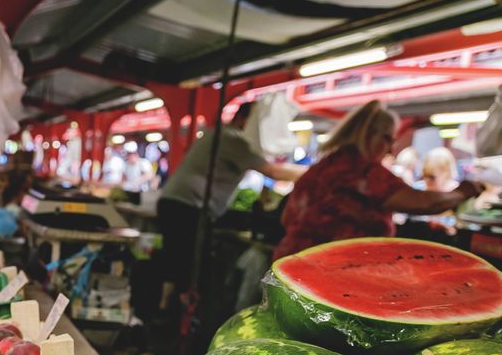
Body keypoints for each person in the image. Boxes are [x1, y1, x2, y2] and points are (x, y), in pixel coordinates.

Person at [273, 101, 486, 261]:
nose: (390, 148)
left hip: (290, 259)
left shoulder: (323, 167)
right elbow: (425, 203)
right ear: (370, 134)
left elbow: (285, 218)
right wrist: (465, 191)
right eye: (388, 139)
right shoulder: (363, 170)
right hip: (333, 264)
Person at [157, 102, 305, 294]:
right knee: (185, 269)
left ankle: (168, 308)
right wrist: (318, 171)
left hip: (178, 203)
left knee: (175, 264)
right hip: (187, 207)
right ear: (243, 119)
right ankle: (176, 314)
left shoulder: (217, 134)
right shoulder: (232, 139)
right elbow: (274, 171)